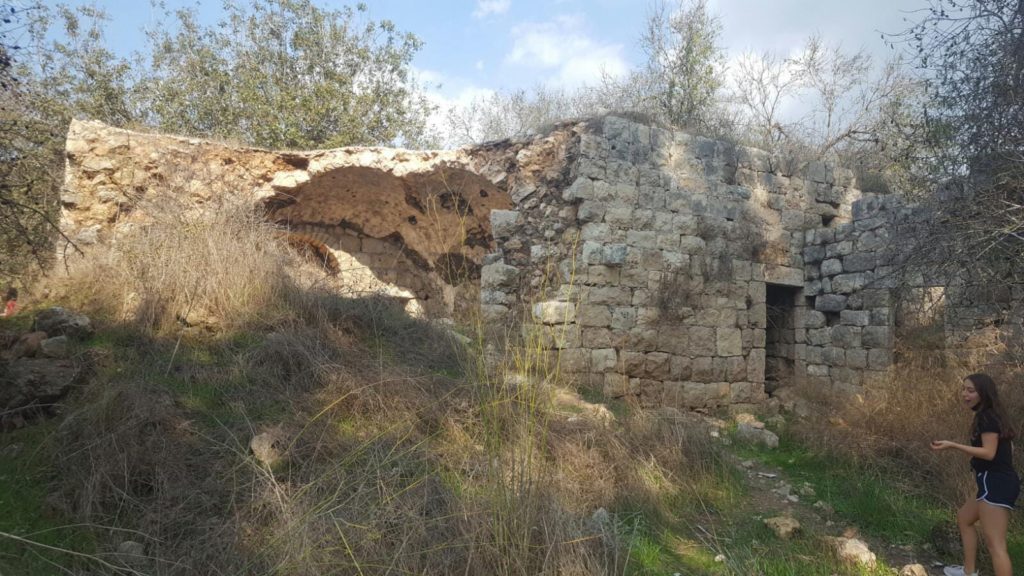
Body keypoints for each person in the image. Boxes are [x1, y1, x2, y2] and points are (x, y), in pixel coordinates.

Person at [932, 373, 1019, 576]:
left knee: (996, 545)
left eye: (971, 390)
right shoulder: (992, 414)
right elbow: (1008, 449)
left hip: (995, 484)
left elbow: (989, 453)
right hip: (994, 481)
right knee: (964, 518)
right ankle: (968, 572)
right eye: (964, 389)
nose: (965, 394)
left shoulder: (987, 417)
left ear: (983, 393)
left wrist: (953, 445)